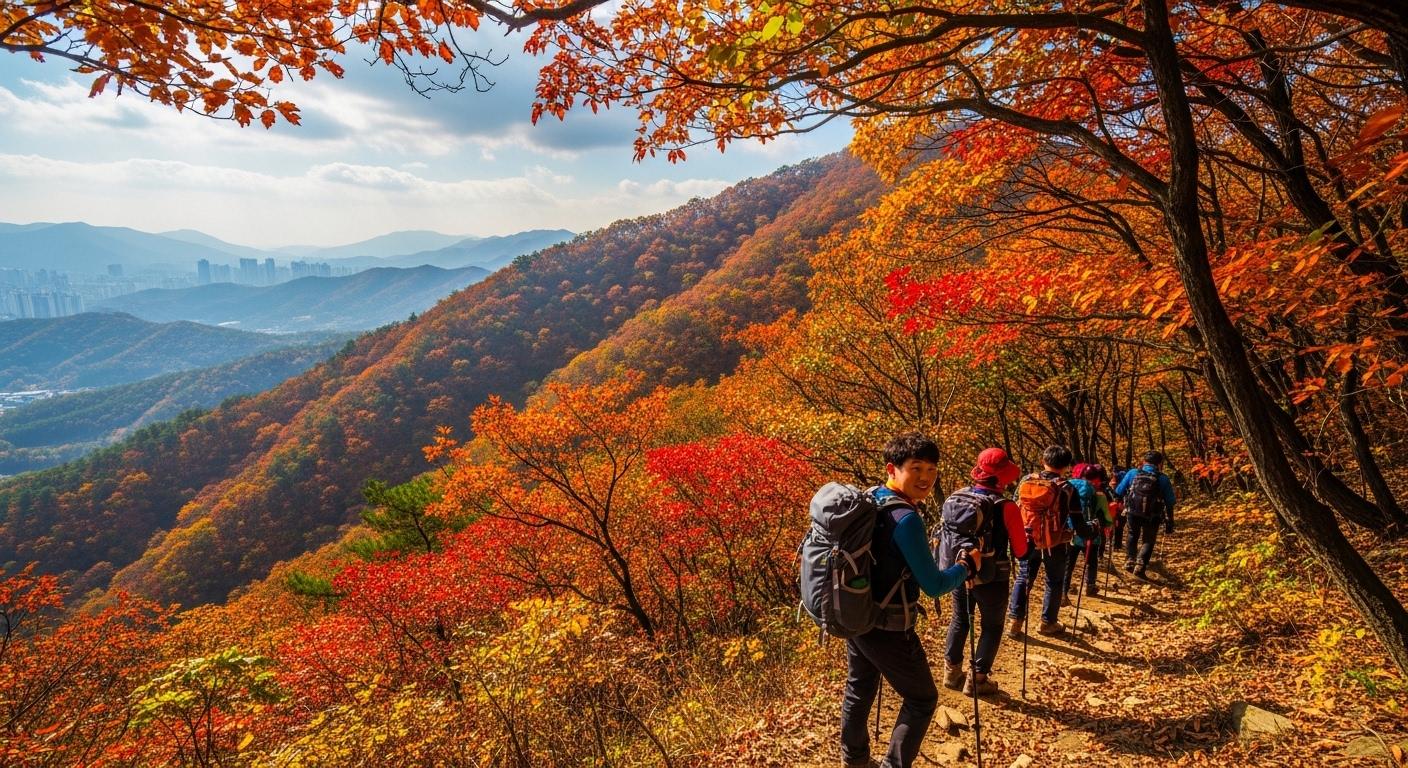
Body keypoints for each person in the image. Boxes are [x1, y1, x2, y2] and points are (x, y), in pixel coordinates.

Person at [841, 432, 980, 768]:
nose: (925, 478)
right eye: (916, 468)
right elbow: (933, 585)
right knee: (922, 699)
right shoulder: (906, 519)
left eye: (932, 470)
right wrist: (966, 566)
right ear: (893, 468)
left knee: (859, 687)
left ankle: (855, 760)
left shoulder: (870, 498)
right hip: (889, 626)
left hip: (856, 613)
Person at [935, 447, 1028, 697]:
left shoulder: (958, 496)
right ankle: (977, 680)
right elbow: (1021, 550)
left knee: (960, 620)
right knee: (992, 626)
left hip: (961, 571)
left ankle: (951, 672)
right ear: (1000, 477)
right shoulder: (1006, 507)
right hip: (992, 577)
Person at [1007, 445, 1091, 638]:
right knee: (1053, 581)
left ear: (1043, 461)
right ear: (1067, 466)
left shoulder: (1026, 480)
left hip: (1027, 539)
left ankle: (1015, 621)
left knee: (1024, 577)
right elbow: (1078, 523)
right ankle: (1048, 623)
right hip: (1055, 543)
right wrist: (1091, 529)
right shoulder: (1067, 488)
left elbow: (1014, 507)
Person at [1114, 450, 1177, 579]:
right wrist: (1170, 520)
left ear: (1144, 462)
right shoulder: (1163, 478)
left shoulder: (1132, 473)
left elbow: (1119, 491)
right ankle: (1141, 565)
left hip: (1133, 511)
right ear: (1160, 464)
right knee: (1148, 540)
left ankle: (1130, 560)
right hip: (1153, 515)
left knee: (1132, 534)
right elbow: (1170, 502)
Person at [1065, 463, 1114, 598]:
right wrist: (1109, 524)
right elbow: (1106, 516)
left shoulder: (1067, 488)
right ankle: (1090, 586)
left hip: (1070, 533)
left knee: (1069, 563)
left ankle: (1064, 590)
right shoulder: (1099, 495)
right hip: (1091, 534)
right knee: (1092, 562)